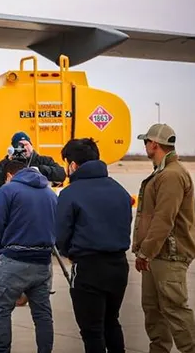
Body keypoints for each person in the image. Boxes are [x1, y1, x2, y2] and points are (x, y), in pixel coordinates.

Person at [56, 138, 133, 353]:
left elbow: (61, 234)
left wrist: (69, 251)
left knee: (91, 330)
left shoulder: (70, 193)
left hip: (88, 268)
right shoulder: (120, 190)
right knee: (112, 322)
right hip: (119, 266)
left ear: (72, 165)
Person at [133, 123, 195, 353]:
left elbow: (164, 220)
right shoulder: (162, 172)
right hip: (156, 256)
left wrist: (145, 252)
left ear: (154, 144)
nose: (145, 148)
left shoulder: (172, 175)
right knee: (153, 311)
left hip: (169, 255)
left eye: (146, 143)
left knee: (175, 310)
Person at [0, 151, 58, 353]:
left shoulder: (8, 191)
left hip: (14, 259)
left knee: (1, 310)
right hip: (43, 262)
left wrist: (1, 249)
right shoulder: (49, 193)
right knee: (43, 314)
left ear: (10, 175)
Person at [0, 132, 65, 191]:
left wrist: (40, 169)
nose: (24, 148)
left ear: (31, 145)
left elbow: (61, 174)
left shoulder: (44, 160)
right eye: (20, 145)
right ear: (14, 148)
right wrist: (9, 161)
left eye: (26, 144)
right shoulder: (4, 164)